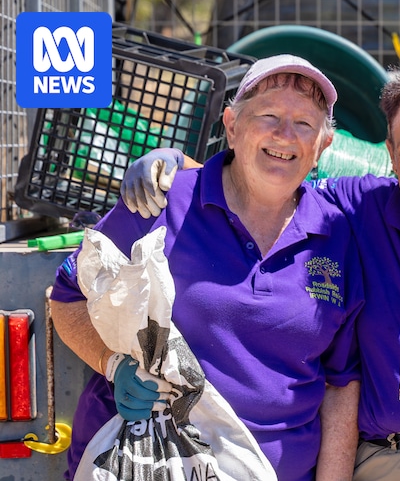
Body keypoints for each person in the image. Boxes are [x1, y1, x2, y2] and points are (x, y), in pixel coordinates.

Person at [122, 62, 400, 481]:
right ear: (391, 155)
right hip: (385, 460)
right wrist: (178, 166)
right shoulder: (362, 207)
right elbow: (273, 177)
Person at [49, 54, 364, 481]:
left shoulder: (336, 233)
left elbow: (339, 383)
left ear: (323, 146)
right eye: (268, 116)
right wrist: (111, 364)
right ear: (231, 126)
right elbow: (67, 297)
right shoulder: (160, 201)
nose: (284, 135)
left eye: (304, 124)